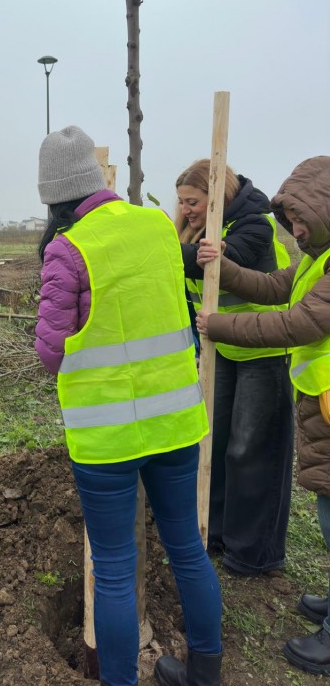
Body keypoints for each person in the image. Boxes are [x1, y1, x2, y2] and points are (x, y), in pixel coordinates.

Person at [35, 126, 222, 686]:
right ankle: (206, 671)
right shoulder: (158, 228)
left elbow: (50, 354)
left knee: (114, 570)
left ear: (53, 195)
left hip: (108, 438)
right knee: (187, 548)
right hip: (177, 424)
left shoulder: (66, 250)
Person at [196, 155, 330, 677]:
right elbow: (276, 288)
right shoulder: (319, 259)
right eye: (289, 219)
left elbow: (296, 324)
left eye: (301, 218)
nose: (294, 229)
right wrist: (221, 267)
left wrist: (220, 325)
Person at [175, 159, 294, 576]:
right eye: (182, 202)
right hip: (223, 349)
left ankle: (254, 553)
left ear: (217, 196)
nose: (187, 209)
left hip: (263, 350)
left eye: (193, 201)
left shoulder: (254, 224)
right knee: (219, 443)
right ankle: (217, 532)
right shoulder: (194, 233)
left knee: (252, 449)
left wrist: (205, 254)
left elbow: (227, 267)